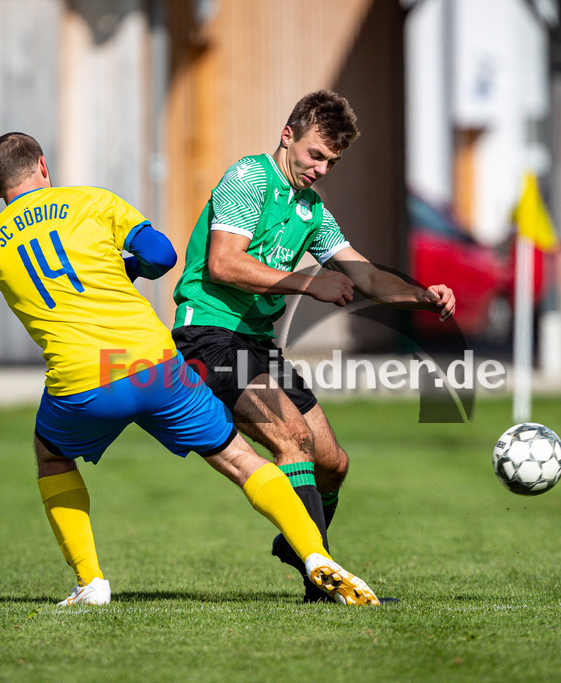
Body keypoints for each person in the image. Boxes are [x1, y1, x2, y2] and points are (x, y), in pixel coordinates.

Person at [0, 132, 380, 606]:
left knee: (51, 454)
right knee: (243, 461)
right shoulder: (93, 201)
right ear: (43, 167)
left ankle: (90, 580)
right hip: (155, 363)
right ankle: (314, 554)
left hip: (83, 379)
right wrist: (128, 268)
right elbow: (162, 256)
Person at [171, 90, 455, 601]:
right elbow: (223, 264)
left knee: (333, 463)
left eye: (332, 161)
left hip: (255, 341)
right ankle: (322, 581)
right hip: (208, 335)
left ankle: (297, 542)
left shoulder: (312, 210)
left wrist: (423, 296)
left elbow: (363, 274)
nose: (322, 169)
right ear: (288, 135)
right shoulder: (248, 179)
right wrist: (307, 283)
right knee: (292, 439)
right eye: (316, 154)